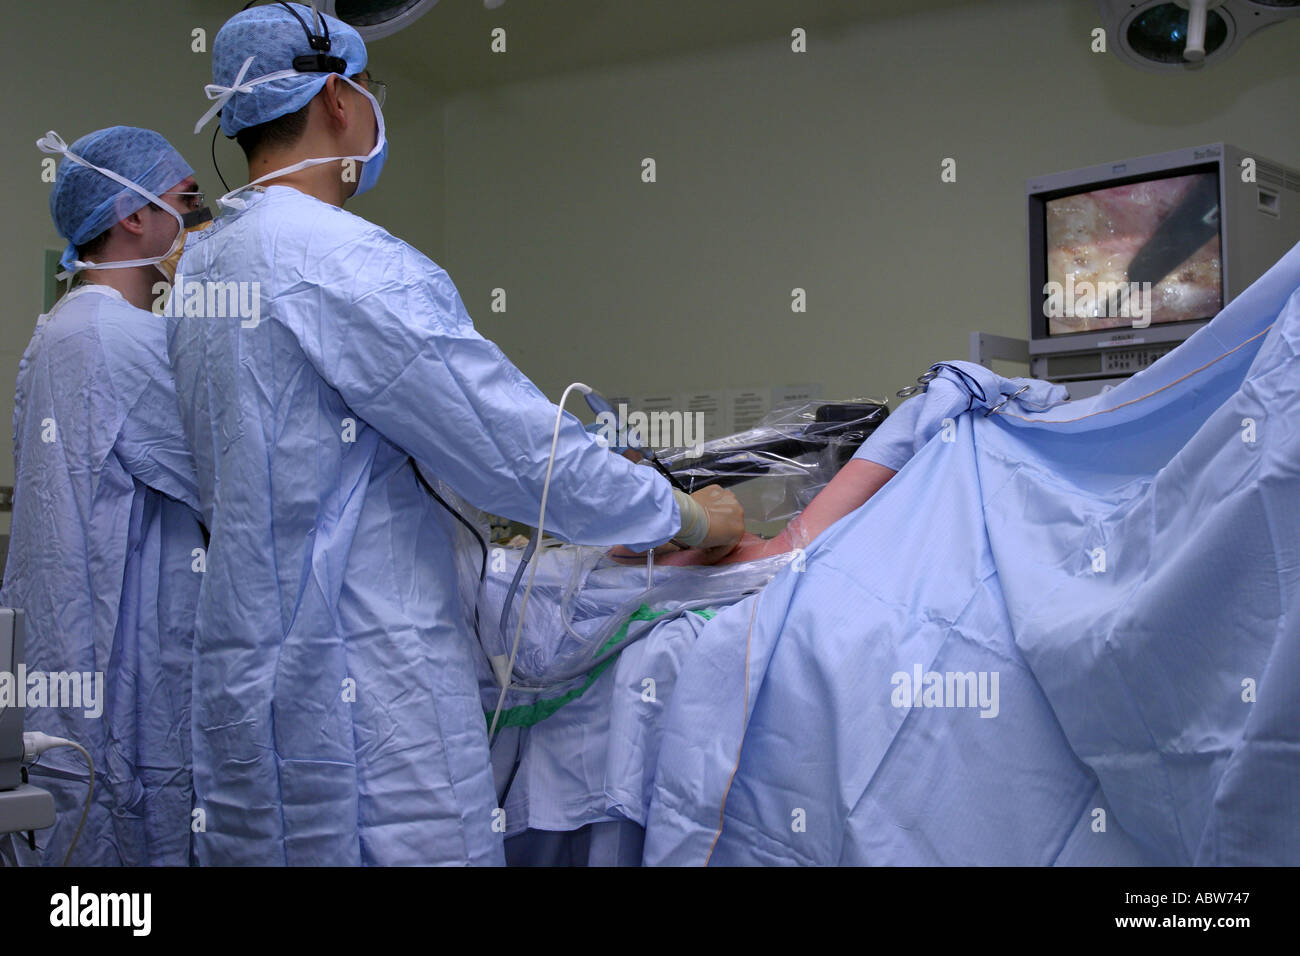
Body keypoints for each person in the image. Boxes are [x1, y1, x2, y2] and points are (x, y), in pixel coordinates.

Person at [170, 2, 743, 866]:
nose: (372, 108)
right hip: (370, 681)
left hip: (247, 676)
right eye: (369, 89)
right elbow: (520, 454)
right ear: (336, 98)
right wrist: (690, 518)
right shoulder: (343, 259)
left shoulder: (203, 266)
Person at [0, 127, 207, 866]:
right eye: (188, 202)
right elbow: (227, 482)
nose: (199, 222)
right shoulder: (122, 340)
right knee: (129, 828)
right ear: (133, 215)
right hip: (129, 649)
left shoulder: (58, 330)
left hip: (67, 648)